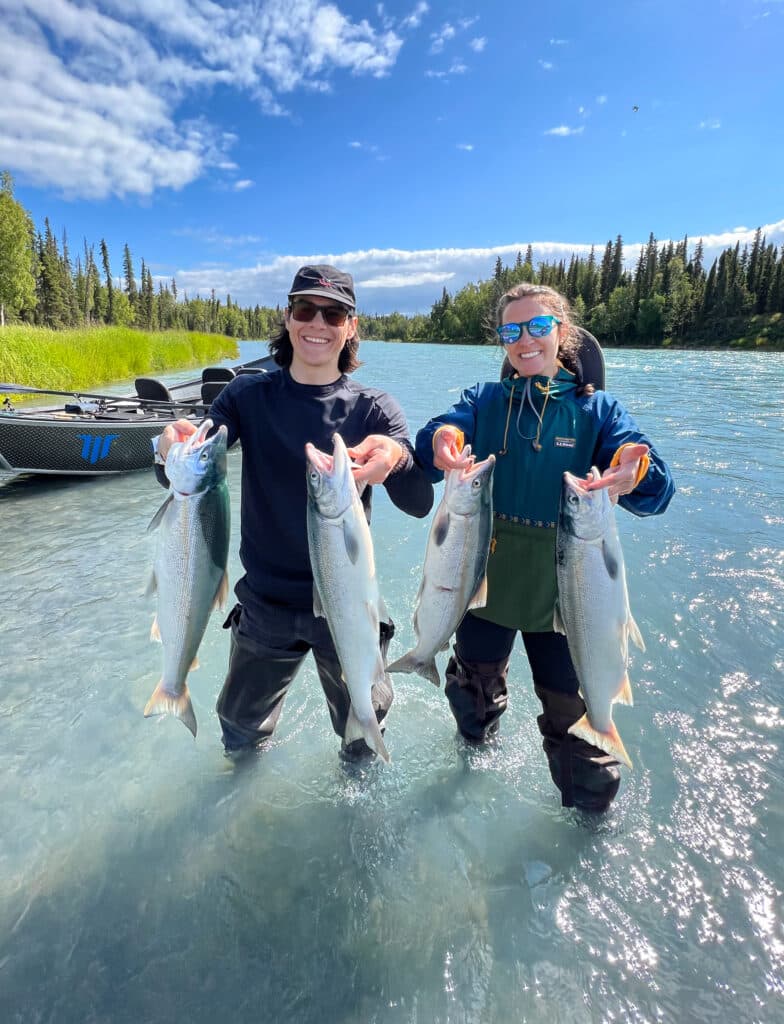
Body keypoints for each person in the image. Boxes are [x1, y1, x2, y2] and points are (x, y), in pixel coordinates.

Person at [154, 265, 434, 760]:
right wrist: (167, 448)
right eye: (305, 310)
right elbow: (190, 473)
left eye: (333, 313)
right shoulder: (246, 394)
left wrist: (398, 460)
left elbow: (418, 505)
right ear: (287, 318)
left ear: (351, 326)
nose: (317, 324)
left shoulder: (376, 409)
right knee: (239, 731)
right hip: (265, 604)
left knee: (365, 733)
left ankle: (357, 810)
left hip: (347, 604)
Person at [414, 282, 674, 812]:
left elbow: (656, 491)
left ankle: (589, 818)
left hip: (569, 595)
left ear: (563, 332)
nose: (524, 340)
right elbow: (436, 437)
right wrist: (440, 440)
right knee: (471, 696)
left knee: (576, 724)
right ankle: (472, 762)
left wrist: (635, 471)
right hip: (486, 585)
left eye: (538, 327)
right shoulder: (485, 401)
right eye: (511, 330)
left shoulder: (598, 411)